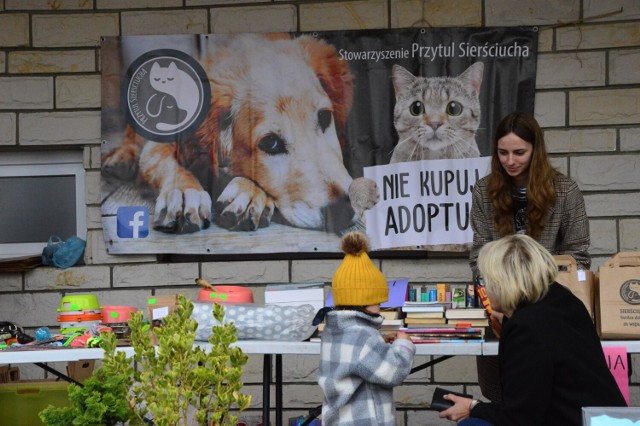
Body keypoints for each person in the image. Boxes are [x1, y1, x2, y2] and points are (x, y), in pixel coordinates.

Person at [440, 234, 626, 426]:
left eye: (486, 279)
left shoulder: (526, 328)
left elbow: (519, 418)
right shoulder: (564, 301)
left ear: (501, 281)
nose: (484, 287)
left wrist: (472, 407)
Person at [469, 111, 591, 401]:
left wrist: (542, 297)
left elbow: (579, 255)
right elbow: (479, 254)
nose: (510, 161)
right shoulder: (484, 190)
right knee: (502, 394)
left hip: (550, 310)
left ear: (536, 150)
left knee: (548, 393)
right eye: (503, 153)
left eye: (519, 152)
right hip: (500, 308)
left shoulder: (564, 190)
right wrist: (492, 298)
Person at [315, 231, 415, 425]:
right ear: (363, 301)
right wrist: (404, 344)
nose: (381, 306)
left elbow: (358, 360)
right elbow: (394, 371)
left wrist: (380, 344)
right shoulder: (363, 336)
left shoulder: (334, 331)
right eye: (378, 301)